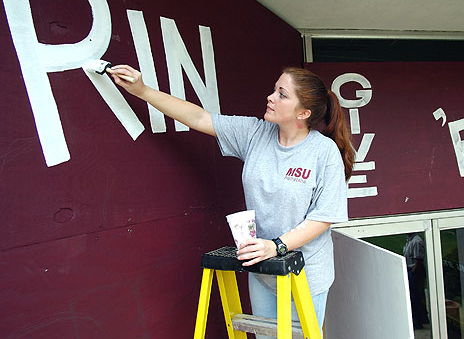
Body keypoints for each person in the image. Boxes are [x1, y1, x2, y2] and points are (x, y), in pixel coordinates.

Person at [109, 65, 354, 337]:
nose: (270, 97)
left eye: (282, 94)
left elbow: (323, 217)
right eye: (274, 90)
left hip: (304, 274)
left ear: (303, 113)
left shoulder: (323, 153)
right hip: (262, 268)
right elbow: (199, 117)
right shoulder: (254, 134)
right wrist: (141, 91)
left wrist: (276, 246)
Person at [403, 232, 429, 329]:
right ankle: (421, 319)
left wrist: (413, 273)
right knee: (414, 297)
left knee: (416, 298)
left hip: (415, 271)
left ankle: (418, 322)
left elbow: (419, 260)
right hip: (411, 270)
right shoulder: (409, 240)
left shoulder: (417, 241)